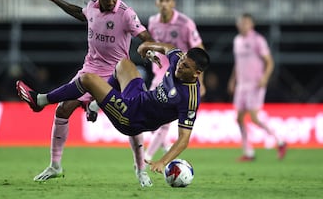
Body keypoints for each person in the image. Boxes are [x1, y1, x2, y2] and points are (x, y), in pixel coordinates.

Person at [16, 41, 210, 176]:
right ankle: (96, 104)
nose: (179, 67)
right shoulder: (178, 59)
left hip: (132, 118)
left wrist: (163, 161)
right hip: (138, 97)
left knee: (88, 79)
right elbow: (170, 48)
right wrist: (147, 46)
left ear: (197, 73)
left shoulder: (190, 98)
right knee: (123, 64)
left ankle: (40, 100)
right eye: (182, 61)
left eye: (185, 67)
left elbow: (184, 139)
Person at [34, 0, 155, 186]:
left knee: (132, 121)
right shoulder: (91, 7)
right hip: (89, 69)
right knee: (62, 110)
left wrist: (150, 49)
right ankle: (55, 166)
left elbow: (145, 35)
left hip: (116, 74)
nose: (111, 2)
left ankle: (141, 170)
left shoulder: (126, 14)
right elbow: (79, 13)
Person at [144, 0, 205, 161]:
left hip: (177, 78)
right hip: (158, 76)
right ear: (156, 3)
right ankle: (165, 148)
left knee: (162, 118)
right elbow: (155, 45)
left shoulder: (185, 23)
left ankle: (146, 158)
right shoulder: (152, 22)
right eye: (161, 0)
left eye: (168, 0)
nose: (164, 4)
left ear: (173, 3)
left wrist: (201, 81)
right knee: (151, 117)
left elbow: (199, 51)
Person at [227, 13, 286, 161]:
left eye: (246, 22)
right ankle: (249, 152)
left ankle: (280, 141)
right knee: (239, 118)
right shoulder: (237, 40)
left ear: (251, 25)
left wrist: (265, 78)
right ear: (237, 24)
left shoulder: (258, 40)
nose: (244, 25)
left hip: (255, 84)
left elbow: (269, 62)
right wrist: (233, 80)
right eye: (241, 22)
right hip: (242, 85)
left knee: (254, 117)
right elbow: (238, 63)